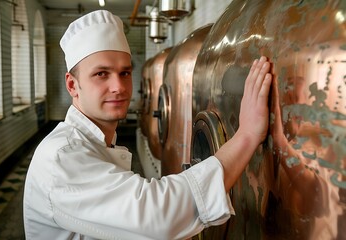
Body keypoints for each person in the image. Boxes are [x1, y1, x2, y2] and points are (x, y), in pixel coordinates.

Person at [23, 9, 272, 240]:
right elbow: (158, 215)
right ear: (72, 85)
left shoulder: (95, 142)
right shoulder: (61, 156)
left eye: (125, 73)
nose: (119, 87)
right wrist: (247, 135)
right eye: (101, 74)